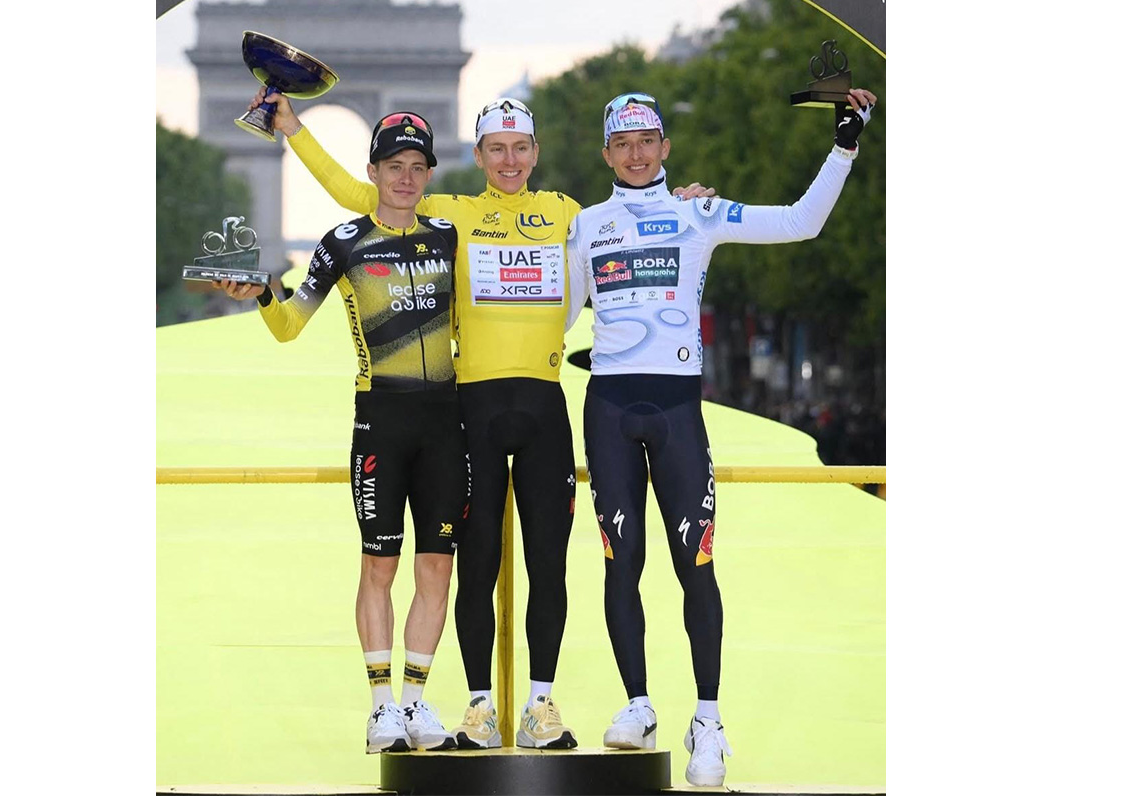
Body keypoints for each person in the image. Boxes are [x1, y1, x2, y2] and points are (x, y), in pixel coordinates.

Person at [248, 87, 715, 749]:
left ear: (536, 151)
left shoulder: (565, 213)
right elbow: (363, 199)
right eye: (496, 149)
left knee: (548, 564)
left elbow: (633, 223)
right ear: (478, 153)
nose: (509, 160)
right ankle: (476, 705)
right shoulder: (450, 215)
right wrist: (293, 128)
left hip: (544, 405)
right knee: (475, 565)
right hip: (473, 406)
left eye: (521, 147)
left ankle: (540, 705)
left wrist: (683, 204)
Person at [564, 88, 877, 786]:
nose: (637, 154)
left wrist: (844, 147)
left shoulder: (697, 212)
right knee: (622, 563)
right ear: (606, 153)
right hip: (609, 408)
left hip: (677, 411)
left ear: (666, 148)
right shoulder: (585, 227)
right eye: (623, 144)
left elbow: (801, 223)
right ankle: (638, 705)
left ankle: (708, 720)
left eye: (648, 141)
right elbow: (553, 321)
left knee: (693, 563)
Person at [215, 113, 468, 754]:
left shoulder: (449, 236)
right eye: (394, 168)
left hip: (445, 422)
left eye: (417, 168)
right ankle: (380, 706)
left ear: (429, 175)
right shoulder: (345, 240)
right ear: (373, 173)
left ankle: (415, 703)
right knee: (379, 565)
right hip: (380, 420)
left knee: (437, 567)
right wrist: (262, 293)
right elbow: (290, 323)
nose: (406, 179)